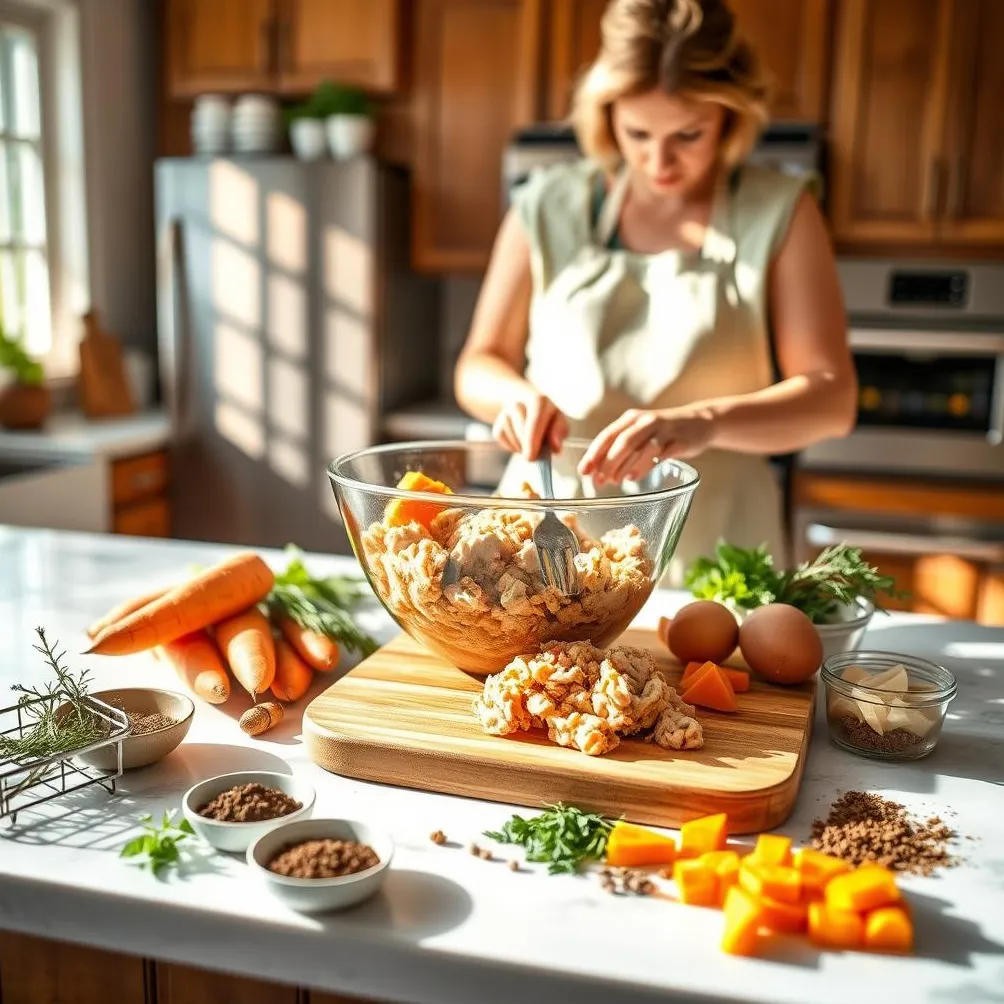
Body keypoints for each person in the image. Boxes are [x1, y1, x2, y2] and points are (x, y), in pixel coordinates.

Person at [453, 0, 857, 584]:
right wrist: (513, 397)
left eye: (687, 134)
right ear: (606, 114)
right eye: (637, 132)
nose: (658, 161)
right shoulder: (545, 206)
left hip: (715, 546)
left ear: (729, 116)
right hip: (548, 532)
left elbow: (832, 398)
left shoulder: (782, 212)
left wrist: (705, 422)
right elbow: (477, 364)